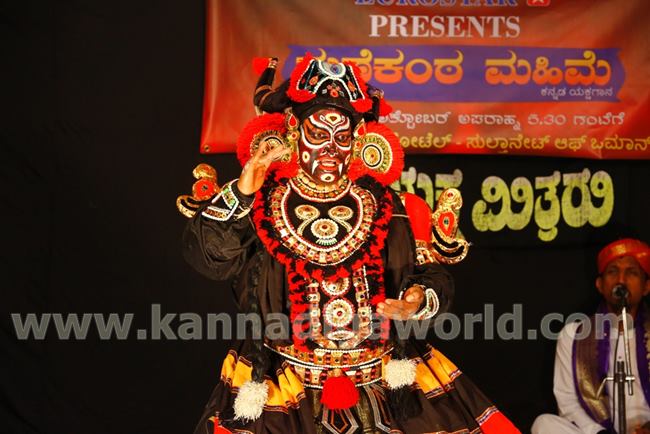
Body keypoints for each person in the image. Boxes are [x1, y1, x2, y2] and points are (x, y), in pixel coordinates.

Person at [181, 54, 520, 434]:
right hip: (283, 383)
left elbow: (432, 275)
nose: (330, 149)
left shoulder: (392, 207)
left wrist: (417, 299)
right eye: (318, 135)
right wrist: (244, 190)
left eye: (341, 138)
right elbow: (208, 259)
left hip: (383, 379)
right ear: (293, 130)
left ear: (358, 140)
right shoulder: (260, 204)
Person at [532, 238, 650, 434]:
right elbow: (568, 403)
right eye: (612, 272)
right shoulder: (573, 335)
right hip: (598, 431)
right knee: (543, 424)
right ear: (599, 284)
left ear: (646, 287)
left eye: (632, 272)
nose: (621, 280)